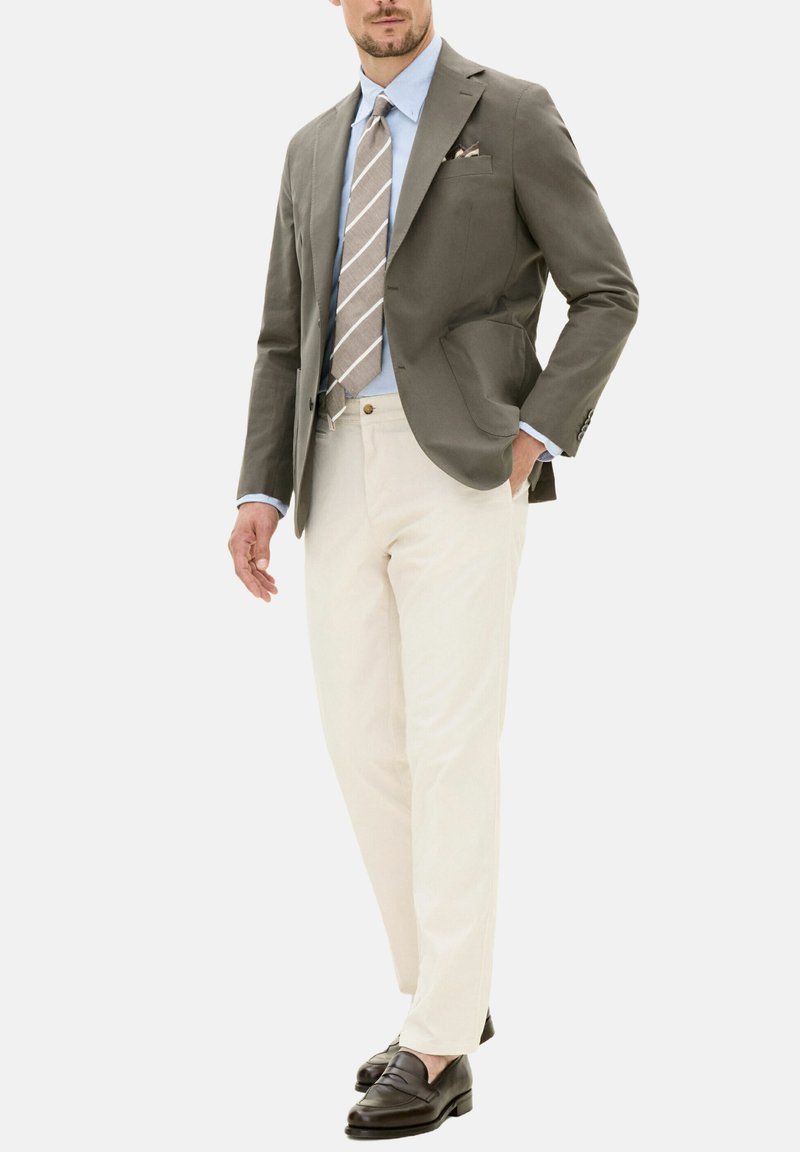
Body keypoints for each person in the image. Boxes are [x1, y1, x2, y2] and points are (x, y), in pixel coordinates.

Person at [228, 0, 638, 1139]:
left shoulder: (510, 114)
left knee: (450, 746)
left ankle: (440, 1044)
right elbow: (282, 335)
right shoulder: (312, 146)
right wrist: (261, 488)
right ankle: (444, 994)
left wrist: (536, 430)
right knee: (364, 744)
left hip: (457, 464)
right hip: (333, 461)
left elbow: (606, 290)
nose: (384, 2)